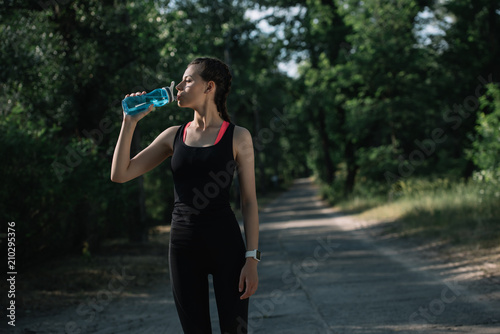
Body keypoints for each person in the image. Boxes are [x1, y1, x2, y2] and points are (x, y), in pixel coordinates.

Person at [110, 57, 260, 334]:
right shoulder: (172, 136)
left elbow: (249, 201)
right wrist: (129, 122)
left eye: (188, 80)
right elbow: (121, 174)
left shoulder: (238, 137)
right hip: (182, 248)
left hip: (227, 247)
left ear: (209, 87)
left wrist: (252, 258)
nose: (178, 86)